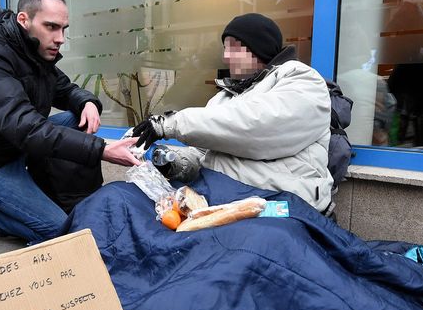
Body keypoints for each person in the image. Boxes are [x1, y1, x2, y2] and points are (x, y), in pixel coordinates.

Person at [0, 0, 140, 243]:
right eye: (51, 26)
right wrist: (103, 150)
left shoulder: (34, 50)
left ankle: (64, 201)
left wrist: (87, 102)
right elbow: (26, 127)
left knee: (77, 118)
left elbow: (66, 90)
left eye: (64, 28)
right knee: (61, 232)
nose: (60, 38)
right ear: (24, 20)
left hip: (8, 145)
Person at [133, 13, 333, 213]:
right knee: (128, 200)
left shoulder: (302, 79)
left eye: (234, 48)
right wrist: (171, 162)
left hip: (279, 204)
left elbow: (257, 126)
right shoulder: (224, 97)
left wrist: (171, 123)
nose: (225, 57)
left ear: (259, 49)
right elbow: (204, 154)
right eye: (226, 48)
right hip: (225, 197)